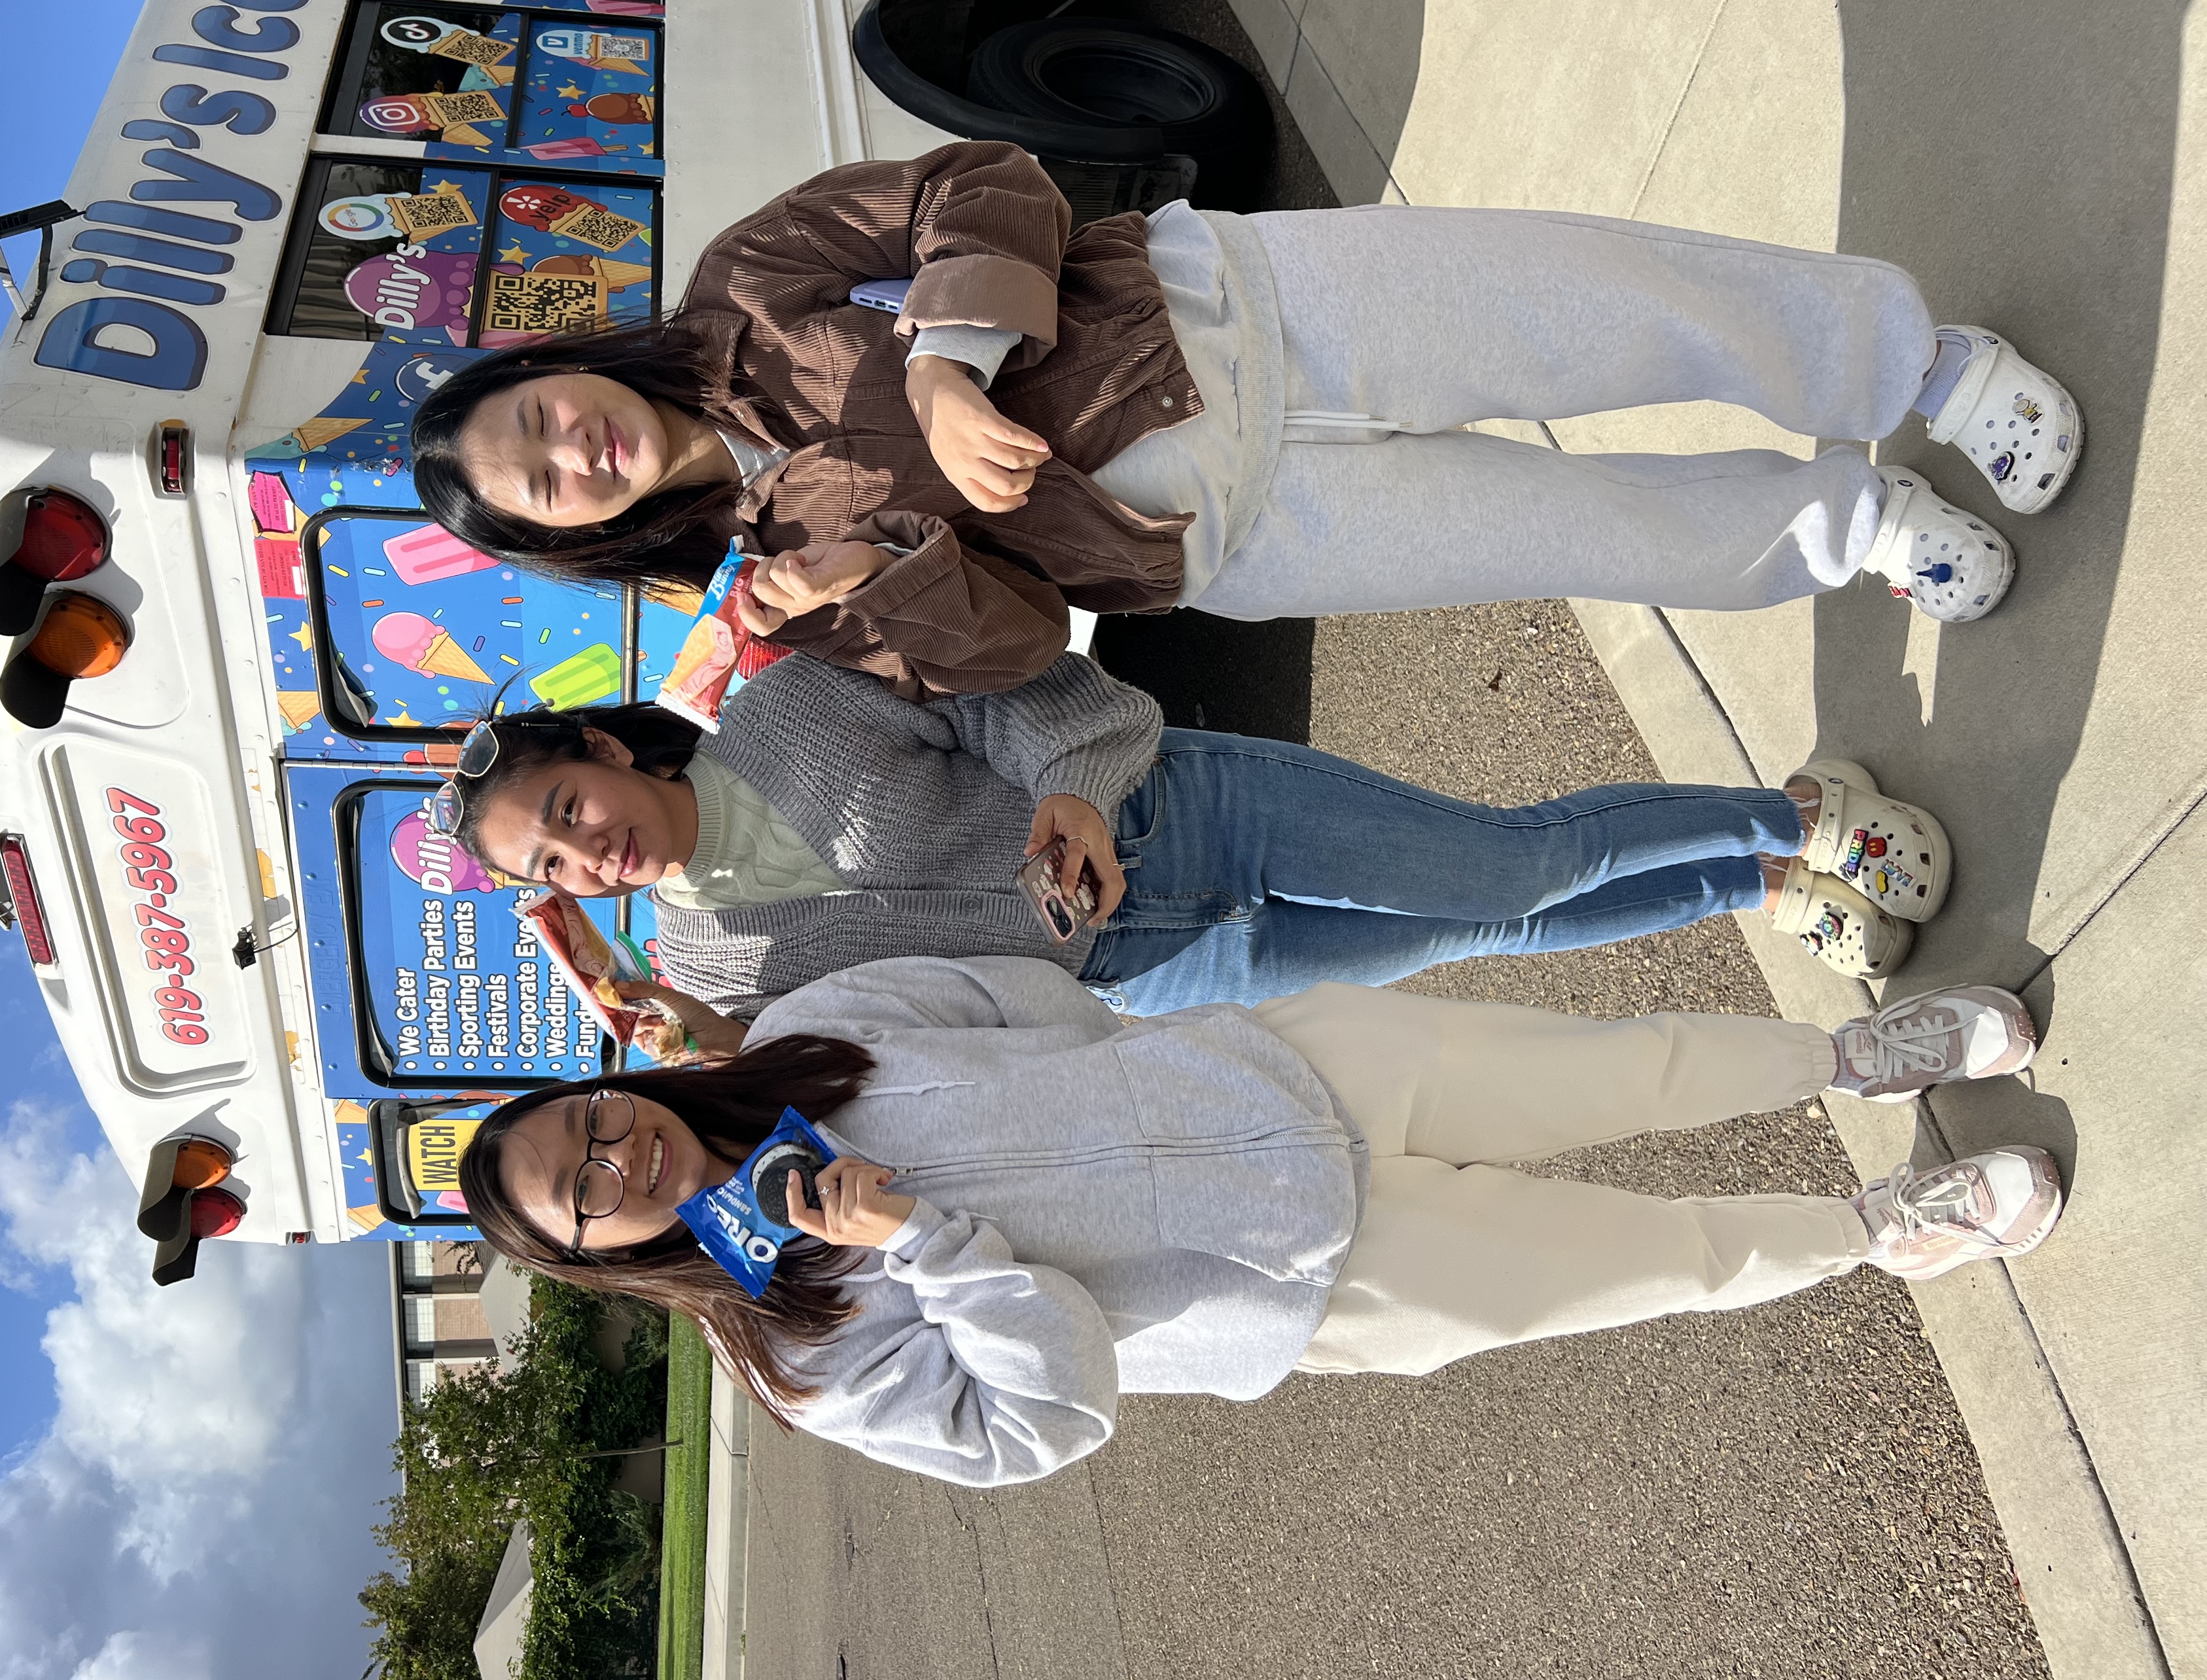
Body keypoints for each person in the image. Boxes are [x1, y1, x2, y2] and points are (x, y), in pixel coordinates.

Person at [408, 141, 2080, 699]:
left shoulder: (746, 281)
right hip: (1236, 537)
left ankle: (1915, 368)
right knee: (1589, 536)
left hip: (1248, 311)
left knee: (1609, 307)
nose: (568, 451)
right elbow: (1019, 649)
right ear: (575, 535)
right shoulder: (770, 596)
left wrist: (941, 359)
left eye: (535, 417)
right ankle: (1859, 528)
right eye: (540, 488)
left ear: (561, 369)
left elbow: (978, 183)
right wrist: (866, 585)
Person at [452, 957, 2060, 1488]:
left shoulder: (812, 1035)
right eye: (581, 1197)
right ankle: (1882, 1225)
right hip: (1311, 1283)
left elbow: (1023, 1005)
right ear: (599, 1258)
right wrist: (925, 1247)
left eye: (589, 1123)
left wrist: (1144, 1080)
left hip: (1297, 1071)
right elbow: (1045, 1420)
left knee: (1623, 1065)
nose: (615, 1159)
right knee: (1653, 1263)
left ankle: (1853, 1055)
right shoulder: (800, 1353)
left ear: (610, 1087)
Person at [436, 647, 1952, 1009]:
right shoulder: (704, 962)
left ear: (600, 749)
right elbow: (857, 1051)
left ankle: (1804, 811)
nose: (589, 851)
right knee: (1493, 930)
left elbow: (1011, 693)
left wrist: (1071, 793)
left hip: (1181, 814)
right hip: (1153, 970)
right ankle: (1756, 883)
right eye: (552, 867)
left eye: (567, 808)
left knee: (1519, 862)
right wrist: (651, 1010)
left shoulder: (786, 707)